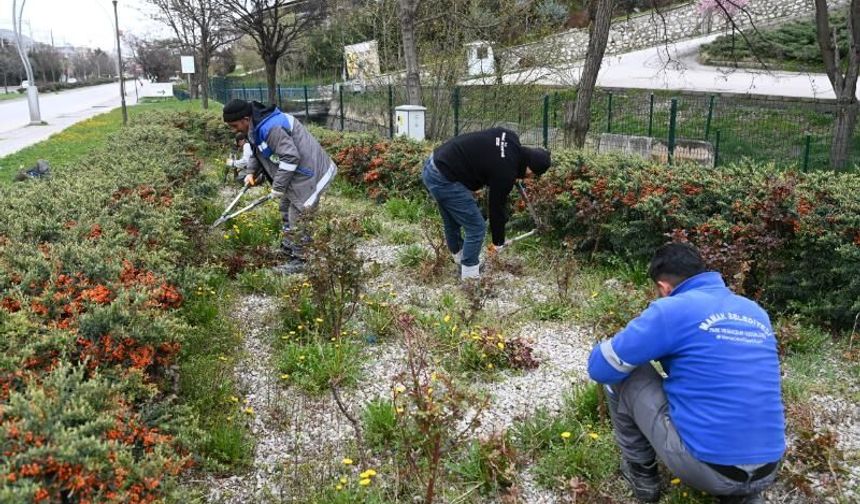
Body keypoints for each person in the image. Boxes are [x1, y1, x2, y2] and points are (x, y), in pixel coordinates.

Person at [587, 243, 785, 504]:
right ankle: (743, 494)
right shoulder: (755, 312)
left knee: (623, 373)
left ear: (664, 287)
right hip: (770, 466)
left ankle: (642, 475)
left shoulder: (671, 309)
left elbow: (600, 368)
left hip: (707, 469)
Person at [222, 98, 338, 273]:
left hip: (311, 171)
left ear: (245, 119)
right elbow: (257, 151)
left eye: (234, 125)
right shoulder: (255, 126)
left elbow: (291, 157)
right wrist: (251, 173)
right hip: (297, 172)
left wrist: (278, 187)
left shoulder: (271, 128)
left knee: (299, 213)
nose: (234, 130)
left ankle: (302, 259)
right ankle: (289, 246)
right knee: (285, 206)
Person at [422, 127, 551, 280]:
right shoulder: (506, 173)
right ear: (529, 169)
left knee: (452, 221)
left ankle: (461, 263)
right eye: (533, 175)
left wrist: (510, 171)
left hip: (434, 162)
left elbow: (493, 155)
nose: (529, 178)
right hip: (443, 178)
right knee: (476, 227)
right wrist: (498, 243)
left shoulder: (510, 137)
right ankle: (470, 279)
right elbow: (496, 208)